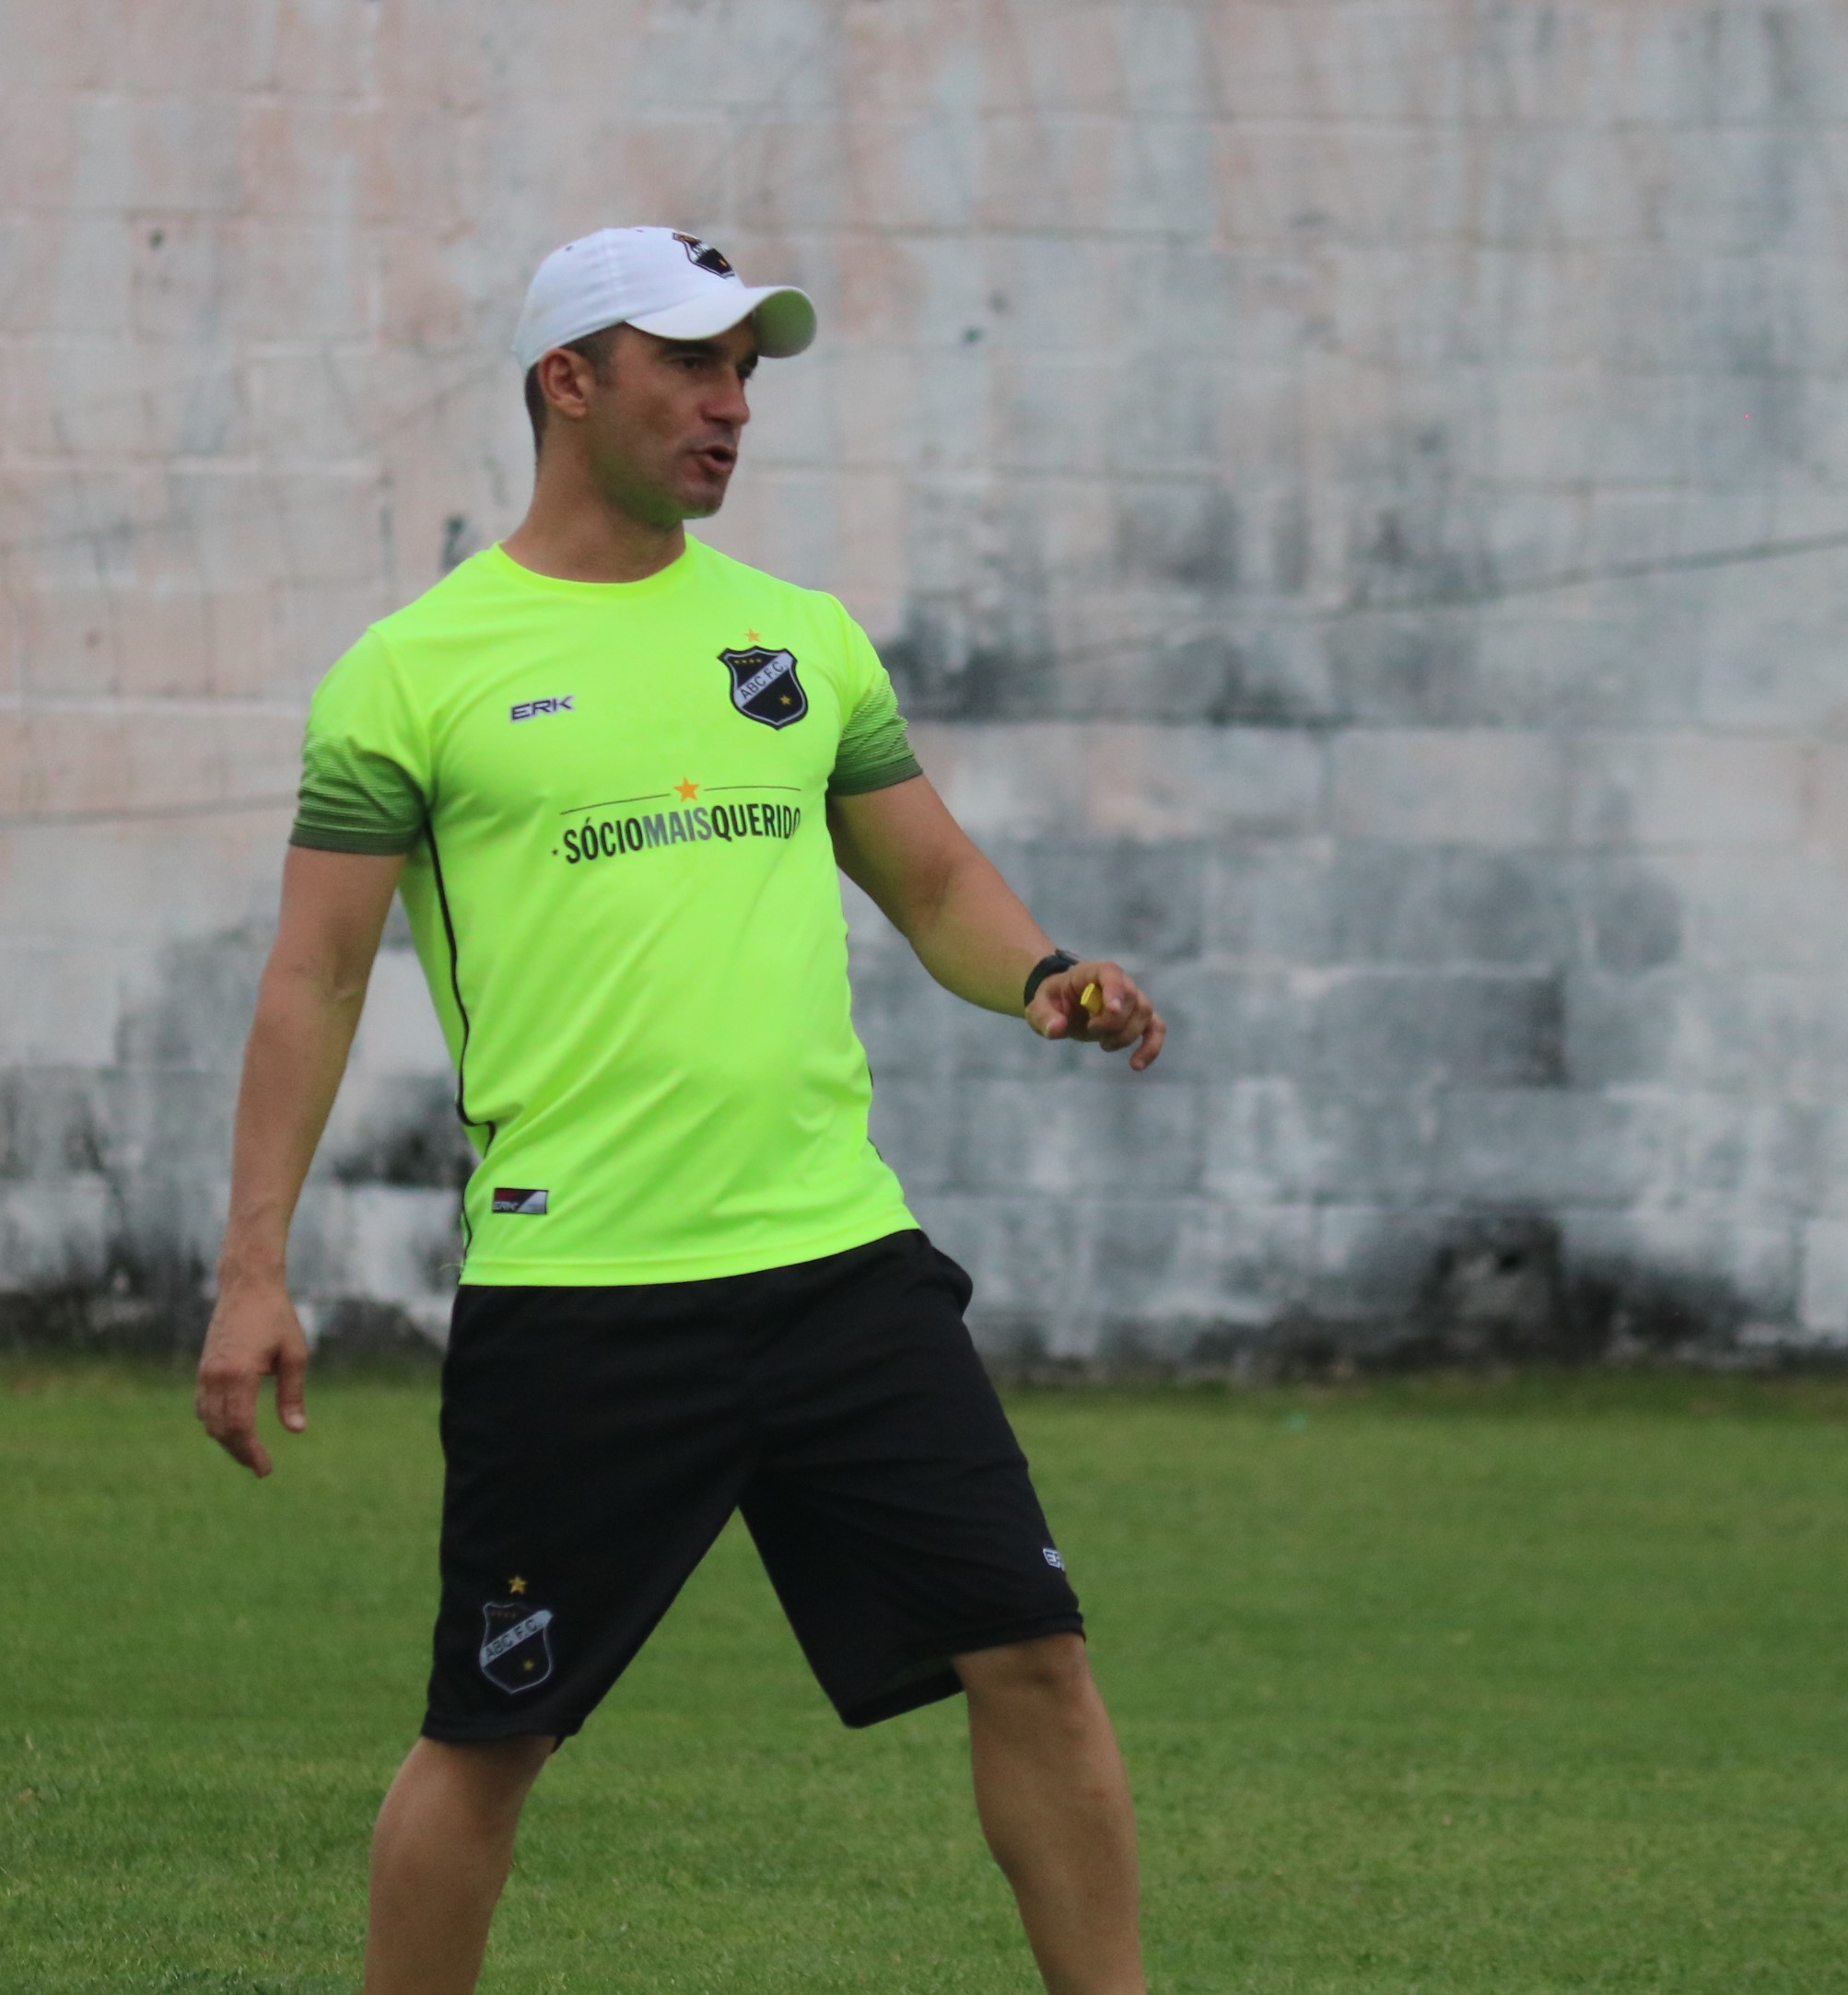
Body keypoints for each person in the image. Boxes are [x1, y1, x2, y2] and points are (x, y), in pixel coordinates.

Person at [196, 228, 1168, 1995]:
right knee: (487, 1741)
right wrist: (252, 1266)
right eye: (690, 366)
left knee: (1034, 1653)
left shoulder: (794, 639)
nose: (729, 407)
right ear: (568, 381)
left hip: (838, 1270)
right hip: (584, 1302)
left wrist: (1044, 973)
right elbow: (312, 979)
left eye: (745, 373)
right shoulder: (411, 673)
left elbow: (933, 880)